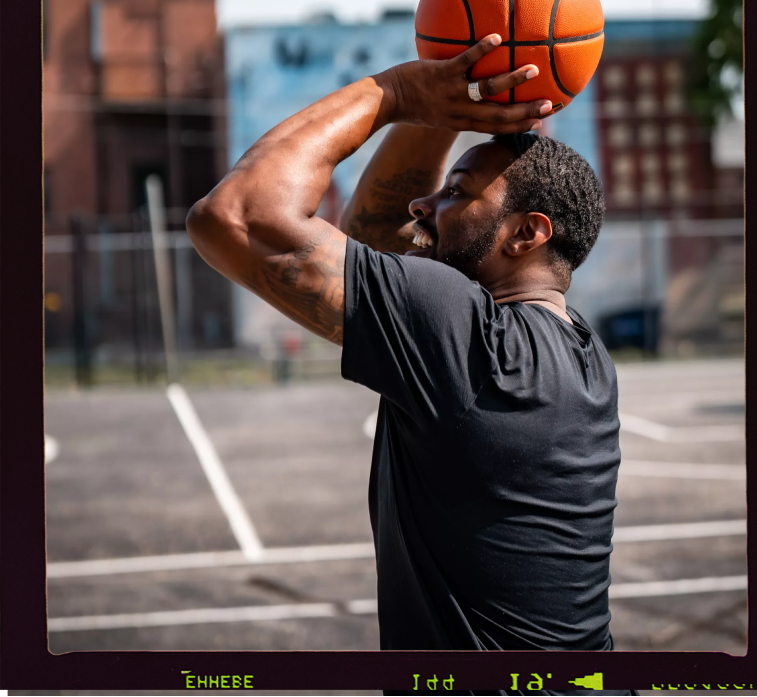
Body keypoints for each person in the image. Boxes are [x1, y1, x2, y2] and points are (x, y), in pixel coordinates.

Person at [187, 34, 638, 697]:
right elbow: (378, 241)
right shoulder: (581, 352)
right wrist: (449, 106)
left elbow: (235, 214)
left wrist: (398, 92)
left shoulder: (466, 335)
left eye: (458, 191)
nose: (424, 204)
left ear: (526, 232)